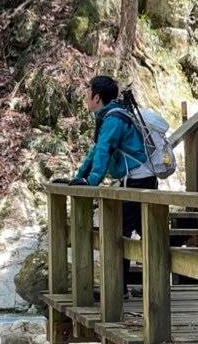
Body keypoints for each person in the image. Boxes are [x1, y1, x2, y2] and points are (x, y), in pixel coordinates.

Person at [66, 75, 158, 299]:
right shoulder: (111, 116)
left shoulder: (113, 119)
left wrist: (91, 181)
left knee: (120, 233)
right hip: (137, 180)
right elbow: (96, 150)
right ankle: (141, 288)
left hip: (138, 181)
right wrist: (80, 177)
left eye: (88, 94)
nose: (86, 98)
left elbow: (104, 150)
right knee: (139, 233)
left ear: (97, 97)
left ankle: (120, 290)